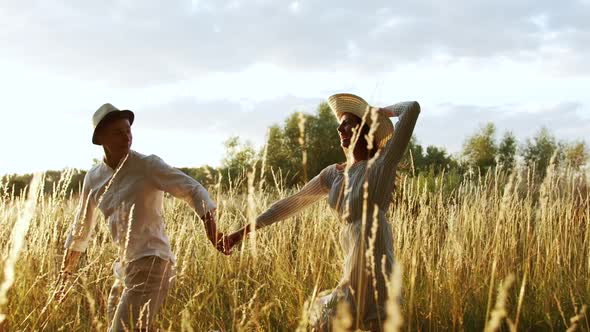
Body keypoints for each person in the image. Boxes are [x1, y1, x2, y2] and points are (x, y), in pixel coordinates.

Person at [226, 93, 420, 331]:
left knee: (372, 321)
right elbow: (290, 203)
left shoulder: (382, 164)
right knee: (324, 318)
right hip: (352, 268)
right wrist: (242, 232)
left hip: (378, 269)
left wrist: (378, 112)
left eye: (347, 122)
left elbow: (411, 109)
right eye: (340, 124)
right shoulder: (333, 174)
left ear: (364, 127)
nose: (340, 128)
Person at [54, 103, 229, 331]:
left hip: (153, 262)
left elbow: (193, 189)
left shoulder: (147, 166)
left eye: (128, 130)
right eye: (118, 132)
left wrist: (213, 233)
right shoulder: (93, 178)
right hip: (125, 267)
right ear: (102, 139)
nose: (127, 137)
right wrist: (64, 276)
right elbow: (80, 229)